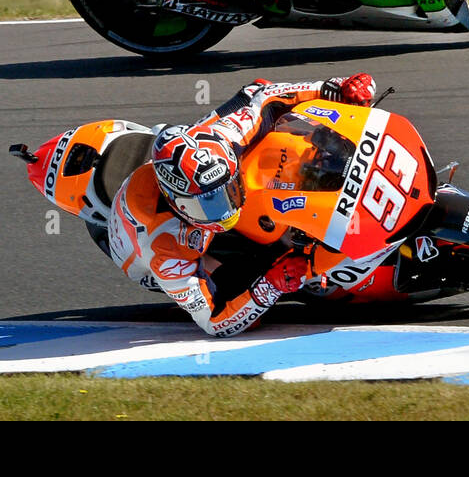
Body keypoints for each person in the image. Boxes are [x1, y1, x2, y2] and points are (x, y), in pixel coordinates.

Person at [106, 73, 377, 337]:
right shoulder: (164, 248)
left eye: (227, 192)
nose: (224, 211)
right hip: (158, 254)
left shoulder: (226, 137)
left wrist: (335, 88)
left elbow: (265, 96)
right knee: (253, 285)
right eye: (207, 205)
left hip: (205, 167)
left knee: (273, 124)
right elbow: (215, 323)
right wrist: (271, 285)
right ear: (178, 203)